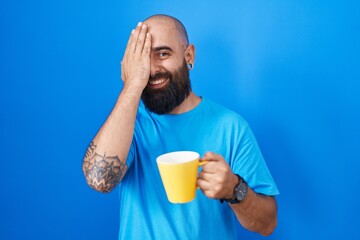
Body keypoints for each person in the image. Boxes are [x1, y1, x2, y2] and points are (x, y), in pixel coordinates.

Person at [82, 14, 279, 239]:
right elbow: (98, 180)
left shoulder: (231, 127)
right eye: (143, 58)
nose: (153, 69)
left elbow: (268, 223)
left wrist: (235, 189)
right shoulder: (129, 124)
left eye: (163, 54)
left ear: (189, 56)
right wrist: (132, 85)